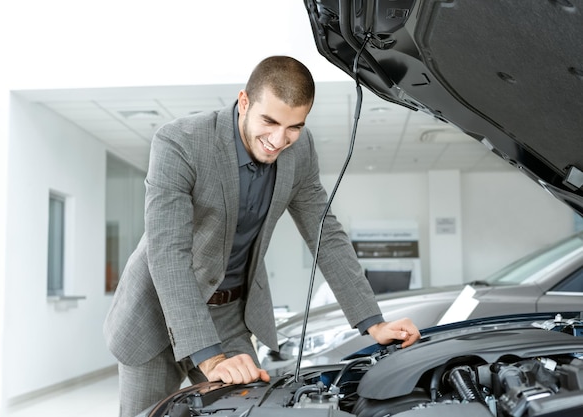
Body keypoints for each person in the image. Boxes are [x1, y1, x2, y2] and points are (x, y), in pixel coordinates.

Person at [103, 55, 421, 417]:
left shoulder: (299, 151)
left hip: (229, 315)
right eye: (269, 121)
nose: (278, 139)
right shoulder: (181, 143)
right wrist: (210, 359)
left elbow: (325, 232)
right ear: (244, 102)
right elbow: (168, 254)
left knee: (252, 410)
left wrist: (373, 322)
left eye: (293, 126)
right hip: (157, 312)